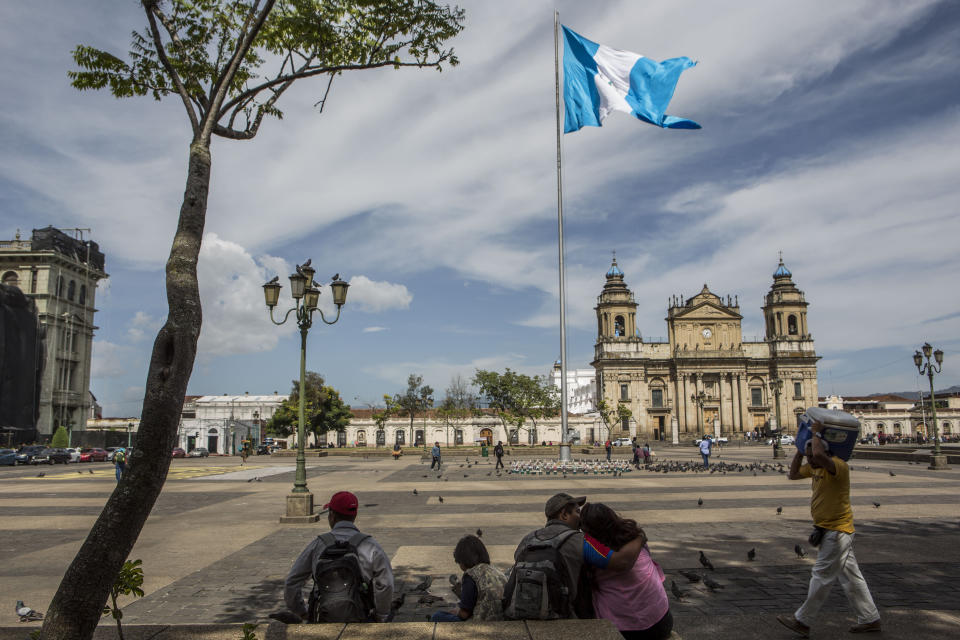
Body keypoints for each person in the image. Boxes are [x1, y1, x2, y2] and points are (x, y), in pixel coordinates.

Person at [777, 429, 881, 637]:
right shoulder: (815, 468)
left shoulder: (838, 467)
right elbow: (793, 474)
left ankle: (802, 621)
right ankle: (870, 618)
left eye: (811, 456)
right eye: (808, 457)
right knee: (851, 577)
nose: (810, 460)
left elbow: (818, 455)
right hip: (828, 530)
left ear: (822, 454)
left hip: (838, 530)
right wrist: (799, 451)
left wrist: (814, 432)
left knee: (821, 575)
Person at [503, 493, 645, 620]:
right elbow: (622, 562)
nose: (580, 517)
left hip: (519, 611)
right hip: (560, 614)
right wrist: (639, 536)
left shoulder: (527, 539)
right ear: (564, 515)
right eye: (577, 512)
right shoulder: (579, 540)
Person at [284, 491, 394, 623]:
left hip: (323, 618)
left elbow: (292, 582)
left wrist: (303, 612)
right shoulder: (370, 545)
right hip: (361, 617)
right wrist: (381, 615)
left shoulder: (318, 544)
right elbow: (386, 584)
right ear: (355, 515)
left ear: (332, 515)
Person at [580, 503, 672, 639]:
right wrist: (640, 536)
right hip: (661, 621)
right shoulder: (634, 538)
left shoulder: (594, 552)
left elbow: (620, 563)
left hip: (623, 630)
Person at [430, 534, 507, 622]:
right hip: (501, 619)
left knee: (437, 616)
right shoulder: (495, 570)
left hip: (481, 622)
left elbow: (464, 614)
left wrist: (455, 612)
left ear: (463, 560)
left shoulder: (470, 576)